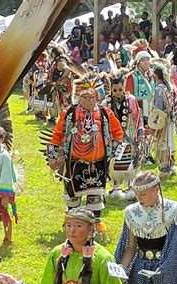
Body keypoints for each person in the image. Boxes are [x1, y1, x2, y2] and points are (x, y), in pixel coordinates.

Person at [46, 72, 124, 232]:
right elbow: (56, 136)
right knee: (72, 197)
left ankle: (93, 226)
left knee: (95, 198)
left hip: (98, 164)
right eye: (86, 98)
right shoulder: (69, 113)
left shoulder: (104, 113)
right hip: (74, 163)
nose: (90, 101)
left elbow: (118, 133)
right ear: (79, 98)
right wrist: (52, 158)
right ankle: (72, 224)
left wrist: (113, 155)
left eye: (93, 97)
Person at [115, 172, 177, 284]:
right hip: (140, 271)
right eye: (136, 194)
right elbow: (131, 248)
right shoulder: (132, 213)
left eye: (143, 194)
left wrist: (161, 271)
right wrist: (122, 269)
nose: (138, 198)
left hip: (165, 271)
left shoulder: (173, 211)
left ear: (156, 190)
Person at [38, 208, 125, 284]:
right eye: (68, 225)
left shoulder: (103, 258)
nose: (72, 230)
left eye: (78, 226)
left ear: (91, 229)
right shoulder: (57, 253)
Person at [103, 72, 143, 200]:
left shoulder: (131, 100)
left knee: (130, 160)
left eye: (120, 90)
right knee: (114, 161)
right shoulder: (106, 103)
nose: (118, 93)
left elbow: (138, 118)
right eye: (115, 90)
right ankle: (116, 187)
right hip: (113, 138)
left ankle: (131, 186)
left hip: (129, 135)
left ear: (124, 88)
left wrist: (140, 132)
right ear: (111, 89)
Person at [151, 65, 177, 177]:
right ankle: (170, 165)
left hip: (162, 120)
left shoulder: (159, 89)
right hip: (169, 119)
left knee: (162, 143)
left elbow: (158, 108)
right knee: (168, 142)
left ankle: (164, 168)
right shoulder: (167, 87)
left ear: (155, 75)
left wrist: (154, 122)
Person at [0, 127, 18, 247]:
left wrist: (4, 195)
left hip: (0, 189)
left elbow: (6, 175)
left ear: (2, 139)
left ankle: (7, 239)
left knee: (3, 213)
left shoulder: (4, 155)